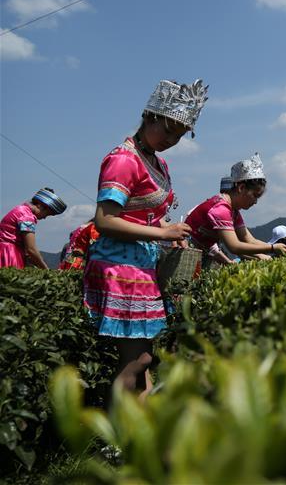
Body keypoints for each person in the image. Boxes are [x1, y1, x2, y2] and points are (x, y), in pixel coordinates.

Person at [83, 79, 207, 394]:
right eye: (167, 131)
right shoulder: (124, 160)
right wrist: (160, 232)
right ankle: (116, 437)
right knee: (137, 358)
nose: (171, 140)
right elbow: (106, 220)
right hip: (120, 267)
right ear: (149, 116)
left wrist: (168, 232)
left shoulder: (157, 162)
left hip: (142, 268)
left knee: (143, 359)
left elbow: (148, 216)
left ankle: (141, 428)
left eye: (178, 136)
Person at [185, 154, 286, 265]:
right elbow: (234, 246)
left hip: (200, 252)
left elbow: (249, 239)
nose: (255, 202)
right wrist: (272, 248)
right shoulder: (220, 209)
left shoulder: (234, 211)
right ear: (241, 188)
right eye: (255, 196)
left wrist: (277, 250)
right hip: (184, 251)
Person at [0, 187, 67, 269]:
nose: (44, 217)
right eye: (46, 214)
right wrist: (45, 268)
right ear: (40, 206)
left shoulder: (21, 209)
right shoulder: (27, 217)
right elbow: (31, 248)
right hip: (10, 253)